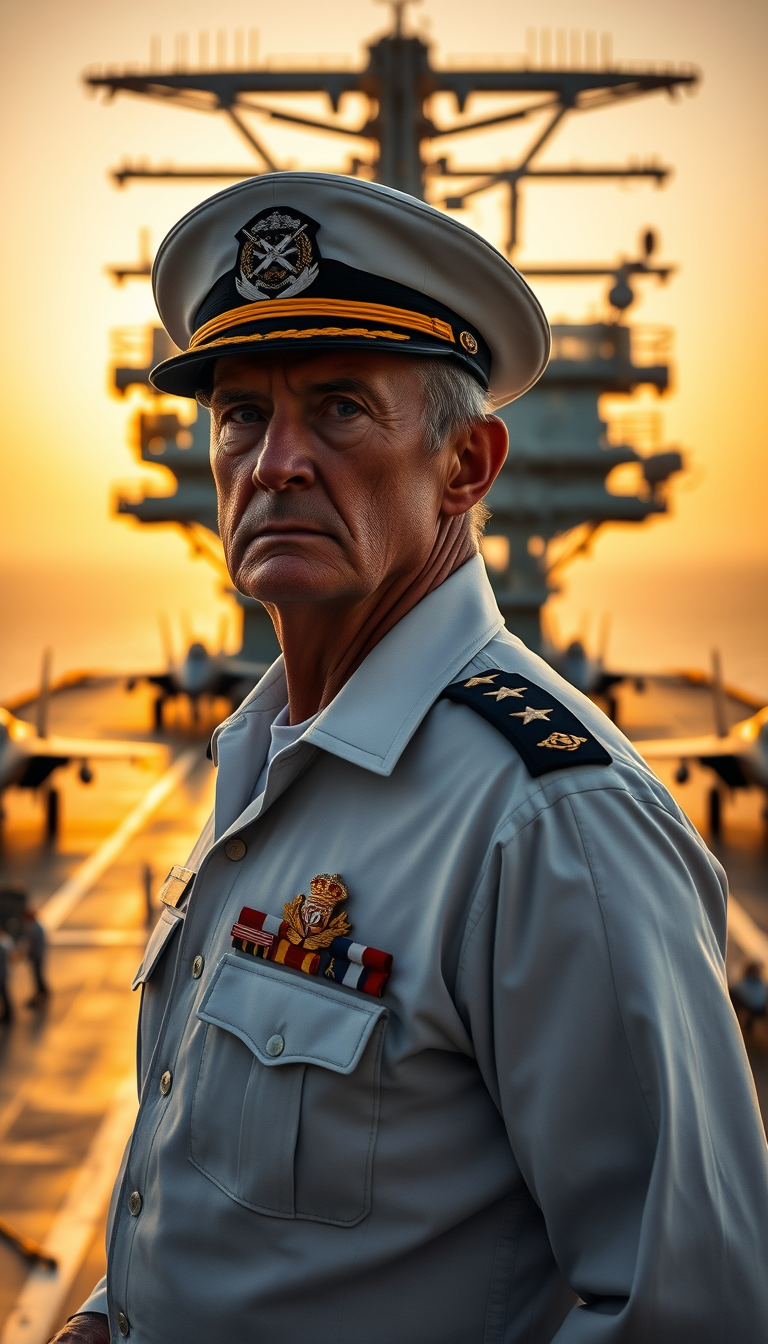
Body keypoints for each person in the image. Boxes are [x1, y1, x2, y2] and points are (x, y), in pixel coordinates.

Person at [56, 174, 768, 1344]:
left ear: (467, 468)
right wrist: (106, 1318)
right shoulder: (269, 755)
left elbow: (687, 1312)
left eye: (340, 409)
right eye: (241, 413)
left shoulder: (551, 822)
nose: (274, 462)